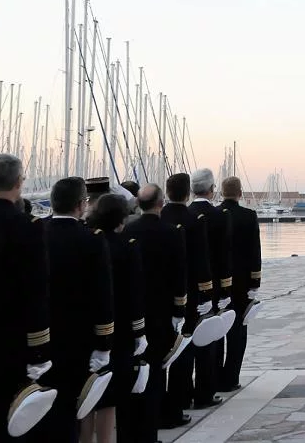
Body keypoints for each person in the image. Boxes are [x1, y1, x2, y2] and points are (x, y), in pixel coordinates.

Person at [41, 176, 115, 443]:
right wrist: (103, 341)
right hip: (77, 337)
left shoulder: (37, 232)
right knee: (70, 407)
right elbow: (102, 295)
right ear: (80, 205)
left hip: (42, 334)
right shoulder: (91, 240)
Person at [0, 154, 52, 442]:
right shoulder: (27, 226)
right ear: (18, 183)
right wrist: (39, 349)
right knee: (10, 419)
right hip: (9, 338)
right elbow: (35, 289)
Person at [124, 183, 189, 440]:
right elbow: (179, 274)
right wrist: (179, 309)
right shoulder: (172, 233)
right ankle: (152, 426)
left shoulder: (128, 230)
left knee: (135, 371)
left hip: (134, 309)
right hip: (161, 309)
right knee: (156, 369)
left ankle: (132, 429)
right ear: (160, 204)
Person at [82, 193, 147, 443]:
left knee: (87, 394)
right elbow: (135, 293)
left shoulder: (87, 240)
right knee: (109, 397)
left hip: (86, 324)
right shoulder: (126, 246)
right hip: (119, 328)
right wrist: (139, 331)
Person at [160, 172, 212, 426]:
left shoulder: (159, 217)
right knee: (184, 349)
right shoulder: (194, 220)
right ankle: (180, 399)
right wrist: (206, 294)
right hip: (187, 293)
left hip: (158, 295)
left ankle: (161, 404)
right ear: (187, 193)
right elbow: (201, 261)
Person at [188, 169, 231, 409]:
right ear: (212, 189)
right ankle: (206, 390)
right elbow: (224, 257)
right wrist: (225, 290)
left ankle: (183, 393)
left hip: (186, 288)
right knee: (211, 341)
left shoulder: (186, 214)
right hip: (211, 285)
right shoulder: (219, 216)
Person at [219, 176, 261, 393]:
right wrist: (256, 281)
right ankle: (231, 377)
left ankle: (214, 376)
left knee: (216, 332)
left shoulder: (214, 215)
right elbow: (255, 252)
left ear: (220, 191)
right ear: (240, 193)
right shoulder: (248, 216)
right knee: (238, 330)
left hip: (217, 284)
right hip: (242, 282)